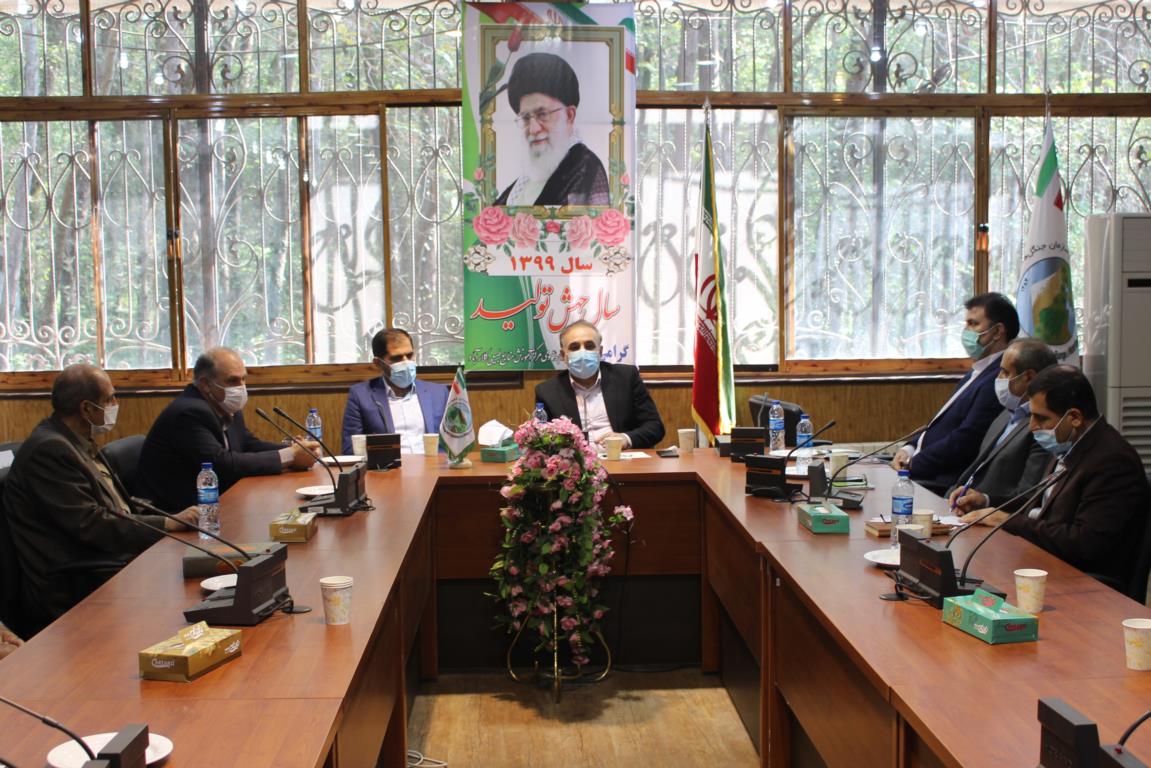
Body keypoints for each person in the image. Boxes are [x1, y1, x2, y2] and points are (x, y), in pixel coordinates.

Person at [4, 364, 198, 633]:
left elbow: (116, 507)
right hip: (78, 581)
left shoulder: (76, 441)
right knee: (186, 591)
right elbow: (92, 525)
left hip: (107, 560)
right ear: (86, 409)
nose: (116, 404)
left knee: (197, 567)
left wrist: (168, 521)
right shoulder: (50, 450)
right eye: (110, 398)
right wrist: (167, 525)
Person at [959, 366, 1150, 589]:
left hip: (1085, 584)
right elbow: (1040, 504)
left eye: (1041, 418)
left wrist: (1009, 521)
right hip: (1047, 563)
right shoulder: (1070, 443)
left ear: (1074, 417)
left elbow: (1085, 543)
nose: (1032, 427)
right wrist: (986, 501)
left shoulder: (1112, 460)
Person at [137, 347, 319, 511]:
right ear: (205, 384)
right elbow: (220, 464)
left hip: (216, 502)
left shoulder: (224, 404)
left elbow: (247, 444)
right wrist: (290, 455)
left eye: (243, 379)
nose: (241, 387)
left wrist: (297, 450)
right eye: (233, 380)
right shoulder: (188, 412)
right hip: (177, 511)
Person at [892, 292, 1019, 495]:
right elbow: (939, 425)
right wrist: (909, 448)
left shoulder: (998, 378)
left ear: (997, 331)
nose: (966, 331)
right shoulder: (977, 371)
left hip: (940, 481)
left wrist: (912, 464)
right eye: (966, 323)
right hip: (921, 470)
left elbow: (966, 440)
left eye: (973, 324)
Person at [946, 338, 1057, 513]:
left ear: (1029, 377)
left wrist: (985, 501)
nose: (998, 379)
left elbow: (1027, 497)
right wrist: (951, 496)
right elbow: (976, 469)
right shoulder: (1005, 414)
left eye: (1005, 372)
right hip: (960, 510)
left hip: (993, 518)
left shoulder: (1042, 428)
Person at [494, 52, 610, 207]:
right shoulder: (526, 180)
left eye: (543, 114)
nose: (533, 129)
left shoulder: (586, 169)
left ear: (569, 115)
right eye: (526, 118)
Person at [535, 320, 665, 449]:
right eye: (574, 347)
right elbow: (542, 439)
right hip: (576, 461)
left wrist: (625, 439)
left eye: (589, 346)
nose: (583, 352)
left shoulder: (626, 377)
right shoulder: (547, 392)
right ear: (563, 355)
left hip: (622, 457)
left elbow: (655, 427)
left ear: (600, 351)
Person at [341, 328, 449, 454]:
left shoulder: (439, 393)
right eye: (397, 358)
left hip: (432, 464)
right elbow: (351, 450)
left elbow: (455, 442)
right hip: (388, 466)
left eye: (409, 355)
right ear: (378, 363)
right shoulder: (360, 395)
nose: (406, 363)